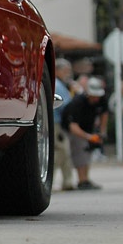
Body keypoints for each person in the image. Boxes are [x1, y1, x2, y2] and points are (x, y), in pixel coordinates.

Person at [60, 76, 109, 190]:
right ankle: (81, 180)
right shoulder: (78, 103)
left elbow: (104, 114)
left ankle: (85, 179)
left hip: (87, 127)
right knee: (79, 151)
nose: (96, 99)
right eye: (94, 96)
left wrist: (102, 132)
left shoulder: (102, 99)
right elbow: (73, 126)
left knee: (87, 152)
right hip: (71, 129)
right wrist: (89, 137)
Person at [52, 59, 77, 191]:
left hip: (58, 122)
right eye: (65, 71)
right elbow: (66, 106)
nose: (68, 74)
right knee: (62, 150)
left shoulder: (59, 84)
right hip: (57, 123)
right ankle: (59, 179)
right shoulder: (58, 85)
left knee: (64, 151)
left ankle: (68, 181)